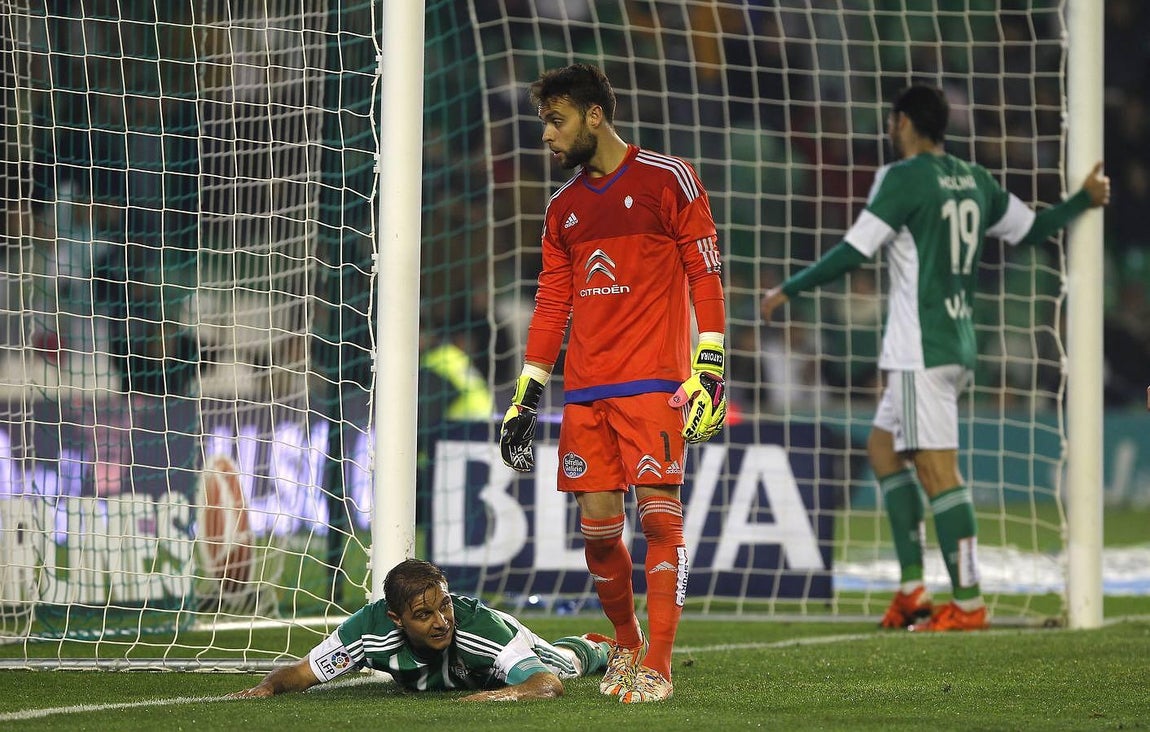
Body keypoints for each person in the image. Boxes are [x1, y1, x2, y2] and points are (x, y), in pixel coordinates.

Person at [761, 83, 1110, 632]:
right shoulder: (975, 179)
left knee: (938, 472)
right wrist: (1082, 200)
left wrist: (790, 288)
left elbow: (857, 248)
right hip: (957, 342)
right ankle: (911, 589)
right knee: (882, 448)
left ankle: (968, 603)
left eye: (890, 121)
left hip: (920, 348)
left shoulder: (902, 178)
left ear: (902, 122)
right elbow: (1034, 228)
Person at [498, 63, 727, 703]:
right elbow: (551, 306)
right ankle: (624, 642)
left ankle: (657, 663)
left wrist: (709, 361)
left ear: (594, 115)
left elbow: (705, 273)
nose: (546, 134)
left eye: (555, 120)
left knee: (659, 522)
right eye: (545, 120)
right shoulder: (562, 208)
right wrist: (526, 396)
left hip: (654, 382)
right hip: (588, 390)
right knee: (598, 531)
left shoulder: (667, 180)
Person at [229, 559, 613, 702]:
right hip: (461, 675)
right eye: (424, 614)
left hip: (510, 644)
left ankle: (594, 646)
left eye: (444, 604)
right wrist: (268, 686)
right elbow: (301, 672)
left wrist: (500, 696)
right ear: (397, 618)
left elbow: (548, 684)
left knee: (564, 664)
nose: (441, 621)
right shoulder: (367, 629)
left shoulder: (477, 628)